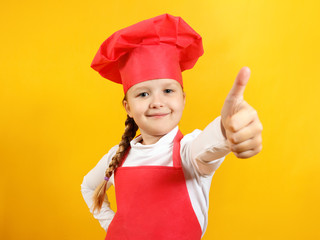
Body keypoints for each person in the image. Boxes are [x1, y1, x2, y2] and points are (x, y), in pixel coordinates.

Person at [81, 13, 263, 240]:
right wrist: (113, 225)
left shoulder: (188, 152)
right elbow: (88, 188)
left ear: (183, 98)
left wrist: (228, 128)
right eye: (143, 93)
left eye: (168, 90)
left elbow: (210, 146)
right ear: (128, 107)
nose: (157, 102)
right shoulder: (117, 157)